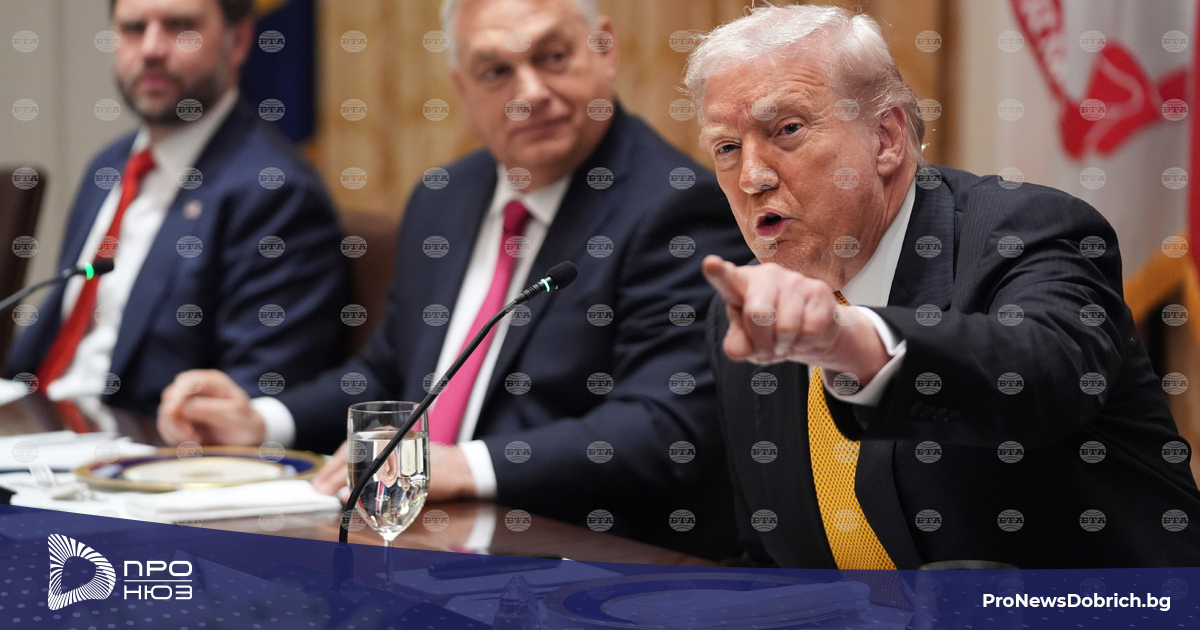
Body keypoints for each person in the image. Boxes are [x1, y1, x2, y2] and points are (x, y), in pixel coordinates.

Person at [157, 0, 750, 558]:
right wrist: (263, 421)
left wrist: (464, 465)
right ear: (463, 88)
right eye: (496, 72)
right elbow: (389, 371)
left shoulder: (675, 206)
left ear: (604, 48)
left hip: (567, 558)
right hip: (412, 537)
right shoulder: (445, 196)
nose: (530, 93)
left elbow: (662, 426)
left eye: (552, 56)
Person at [689, 4, 1200, 569]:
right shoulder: (748, 312)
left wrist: (854, 341)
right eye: (727, 148)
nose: (752, 177)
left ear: (885, 137)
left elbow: (1045, 375)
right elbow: (766, 555)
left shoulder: (1026, 230)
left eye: (787, 130)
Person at [6, 0, 347, 422]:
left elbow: (248, 403)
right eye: (133, 29)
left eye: (179, 26)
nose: (151, 49)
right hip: (35, 427)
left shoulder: (275, 192)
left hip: (139, 449)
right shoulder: (108, 165)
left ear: (239, 41)